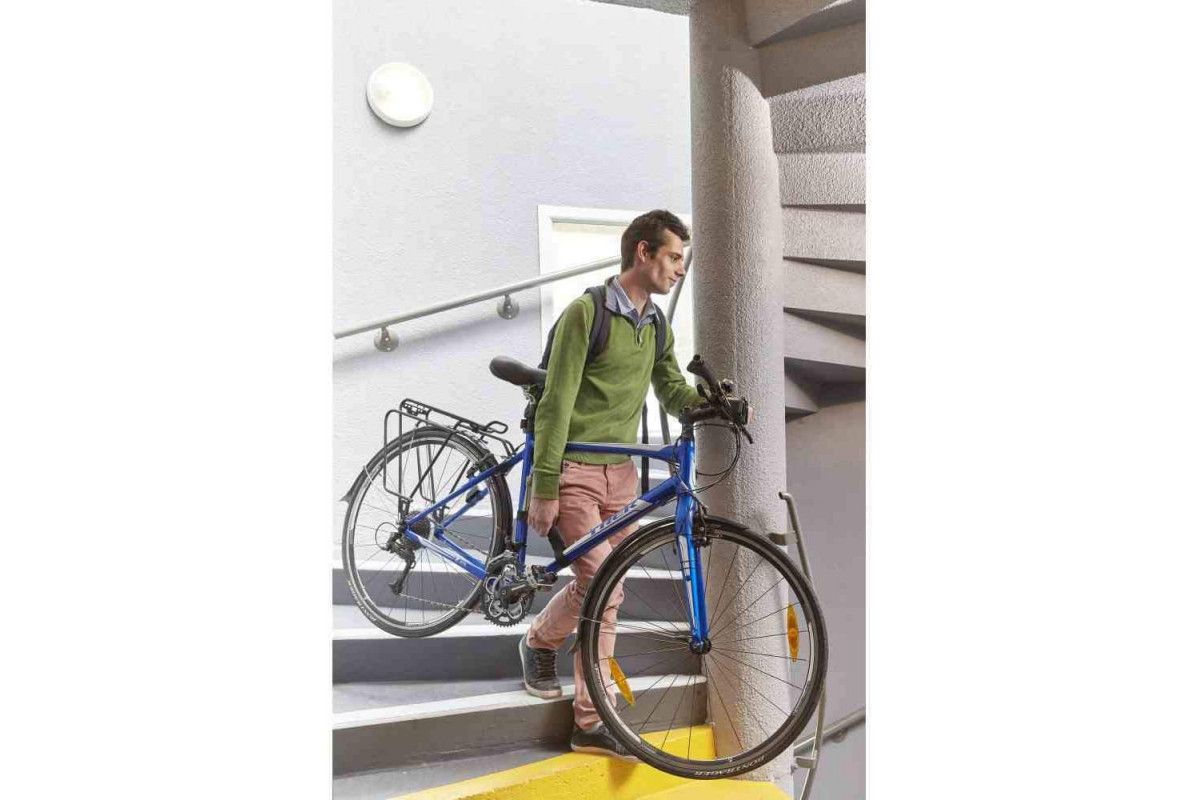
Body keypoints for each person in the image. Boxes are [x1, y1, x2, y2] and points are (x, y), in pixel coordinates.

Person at [517, 209, 703, 759]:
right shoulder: (587, 313)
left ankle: (538, 641)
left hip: (622, 476)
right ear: (643, 252)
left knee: (601, 583)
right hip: (574, 471)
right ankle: (592, 720)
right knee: (605, 585)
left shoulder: (656, 324)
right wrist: (544, 485)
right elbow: (556, 402)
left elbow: (670, 387)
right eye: (673, 257)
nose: (680, 269)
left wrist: (707, 401)